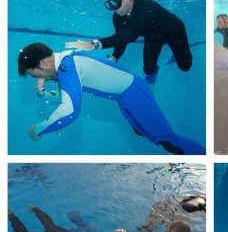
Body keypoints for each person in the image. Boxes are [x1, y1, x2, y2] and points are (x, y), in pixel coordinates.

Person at [17, 43, 205, 155]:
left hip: (133, 93)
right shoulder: (67, 62)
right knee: (146, 134)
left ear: (43, 63)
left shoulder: (67, 67)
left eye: (35, 75)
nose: (40, 78)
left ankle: (203, 155)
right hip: (126, 96)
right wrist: (47, 87)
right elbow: (69, 91)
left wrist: (38, 129)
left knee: (169, 142)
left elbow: (69, 110)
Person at [65, 0, 192, 84]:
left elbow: (130, 35)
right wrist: (114, 57)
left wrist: (94, 44)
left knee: (185, 67)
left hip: (174, 31)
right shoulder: (118, 16)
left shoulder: (147, 7)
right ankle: (156, 70)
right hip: (153, 36)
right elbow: (121, 38)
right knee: (148, 69)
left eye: (116, 2)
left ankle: (178, 55)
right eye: (111, 3)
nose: (114, 8)